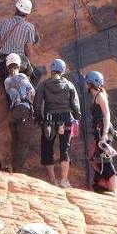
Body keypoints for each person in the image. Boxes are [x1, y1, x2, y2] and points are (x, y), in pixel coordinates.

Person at [34, 59, 81, 188]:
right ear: (63, 70)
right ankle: (64, 181)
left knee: (47, 147)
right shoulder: (69, 85)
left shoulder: (43, 85)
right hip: (66, 118)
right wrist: (77, 116)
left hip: (49, 118)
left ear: (52, 70)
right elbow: (75, 104)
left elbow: (37, 104)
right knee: (65, 148)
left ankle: (52, 180)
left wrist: (39, 118)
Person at [85, 71, 117, 196]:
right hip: (99, 132)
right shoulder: (94, 96)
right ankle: (102, 183)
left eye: (87, 82)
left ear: (91, 83)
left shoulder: (100, 96)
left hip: (104, 131)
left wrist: (104, 134)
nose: (86, 84)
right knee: (93, 158)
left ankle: (113, 190)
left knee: (105, 159)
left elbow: (107, 115)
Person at [0, 0, 40, 82]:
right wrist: (30, 61)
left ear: (16, 8)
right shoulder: (29, 27)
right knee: (37, 73)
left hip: (3, 62)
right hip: (19, 61)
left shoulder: (4, 22)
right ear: (27, 13)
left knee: (8, 87)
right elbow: (28, 49)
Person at [3, 53, 36, 173]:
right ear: (19, 65)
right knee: (23, 143)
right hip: (24, 109)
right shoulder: (22, 76)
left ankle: (13, 167)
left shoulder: (6, 81)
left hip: (13, 112)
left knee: (15, 142)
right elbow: (32, 92)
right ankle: (18, 171)